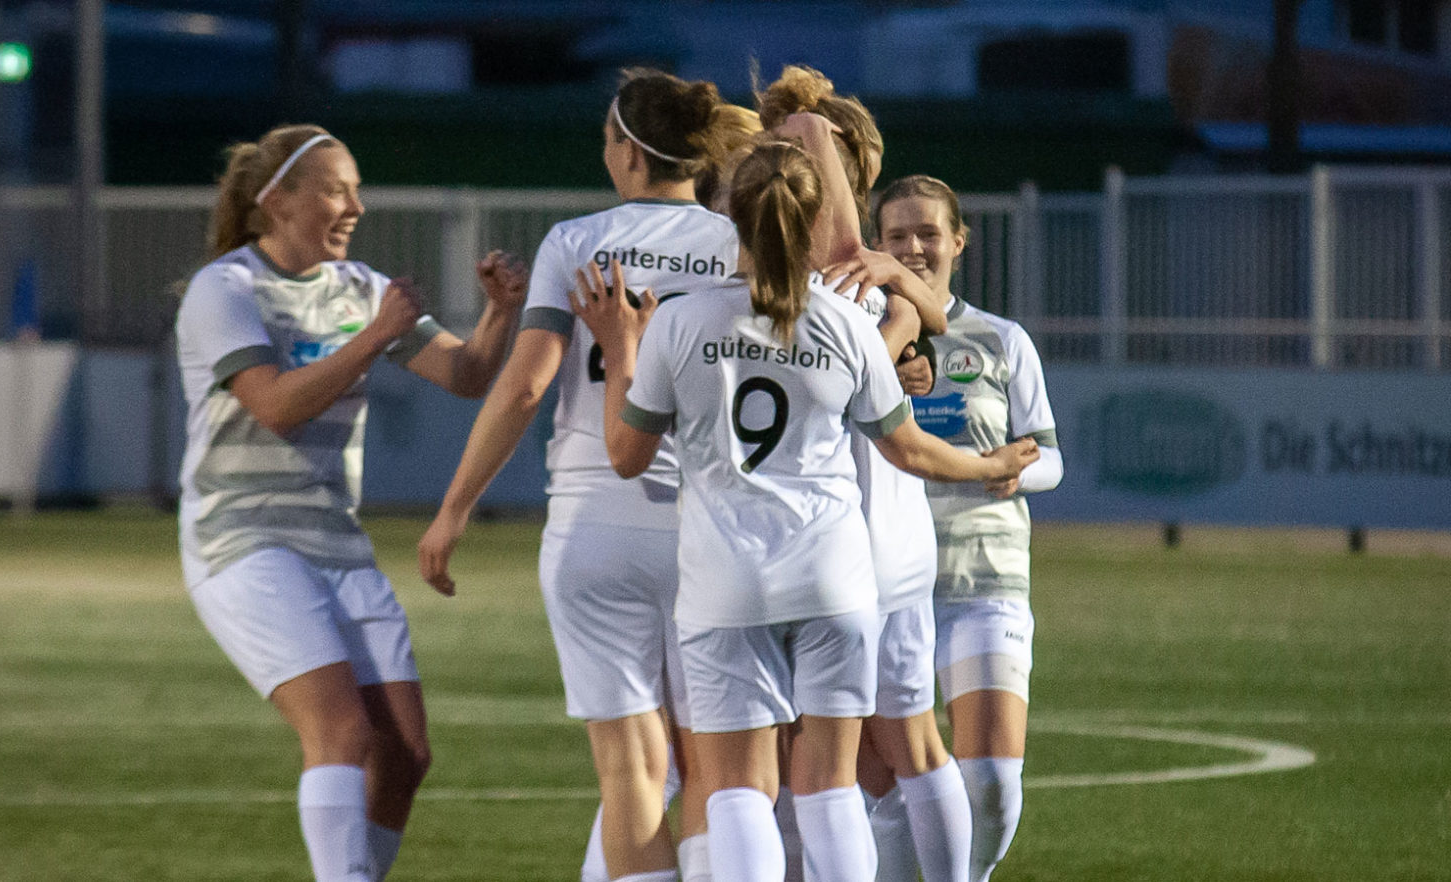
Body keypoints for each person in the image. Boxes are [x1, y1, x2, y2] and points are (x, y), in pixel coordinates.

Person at [572, 140, 1038, 882]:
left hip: (726, 580)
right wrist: (991, 464)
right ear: (816, 220)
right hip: (834, 579)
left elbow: (627, 456)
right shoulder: (848, 325)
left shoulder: (683, 323)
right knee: (828, 786)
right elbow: (910, 450)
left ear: (734, 222)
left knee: (740, 790)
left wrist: (619, 351)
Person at [174, 123, 527, 882]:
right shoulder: (225, 288)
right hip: (242, 539)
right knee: (340, 731)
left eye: (356, 189)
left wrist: (499, 313)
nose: (355, 205)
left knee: (404, 753)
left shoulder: (359, 288)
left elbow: (466, 377)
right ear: (277, 200)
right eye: (336, 189)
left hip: (334, 541)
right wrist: (373, 340)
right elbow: (273, 405)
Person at [416, 69, 742, 882]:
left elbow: (524, 386)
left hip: (596, 523)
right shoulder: (736, 246)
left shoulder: (577, 241)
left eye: (607, 138)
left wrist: (454, 508)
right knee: (713, 767)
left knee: (631, 771)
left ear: (630, 150)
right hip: (710, 526)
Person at [758, 74, 973, 882]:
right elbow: (929, 314)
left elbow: (898, 344)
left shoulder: (835, 278)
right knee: (884, 749)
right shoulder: (865, 280)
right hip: (875, 537)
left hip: (846, 541)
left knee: (816, 754)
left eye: (783, 154)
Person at [874, 174, 1065, 882]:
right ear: (876, 245)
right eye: (897, 235)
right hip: (886, 583)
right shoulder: (861, 336)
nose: (914, 247)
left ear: (959, 240)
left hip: (985, 580)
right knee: (892, 786)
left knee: (990, 782)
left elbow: (1048, 453)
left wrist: (1013, 473)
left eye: (928, 233)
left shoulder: (1001, 339)